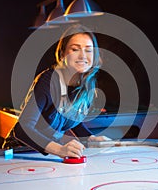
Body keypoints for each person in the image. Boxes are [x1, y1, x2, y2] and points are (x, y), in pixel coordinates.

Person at [12, 24, 111, 158]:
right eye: (75, 49)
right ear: (62, 53)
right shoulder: (48, 81)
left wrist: (89, 138)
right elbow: (22, 129)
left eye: (88, 50)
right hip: (20, 153)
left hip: (48, 155)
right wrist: (60, 150)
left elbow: (72, 119)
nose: (82, 55)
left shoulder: (86, 84)